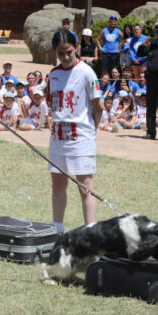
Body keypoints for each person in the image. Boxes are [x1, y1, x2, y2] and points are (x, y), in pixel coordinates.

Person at [47, 29, 103, 234]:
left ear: (77, 48)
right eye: (60, 53)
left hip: (81, 137)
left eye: (69, 52)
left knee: (85, 187)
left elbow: (99, 106)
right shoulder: (53, 74)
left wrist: (91, 131)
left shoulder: (87, 72)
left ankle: (90, 234)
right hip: (58, 137)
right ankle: (57, 228)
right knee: (57, 185)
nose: (66, 57)